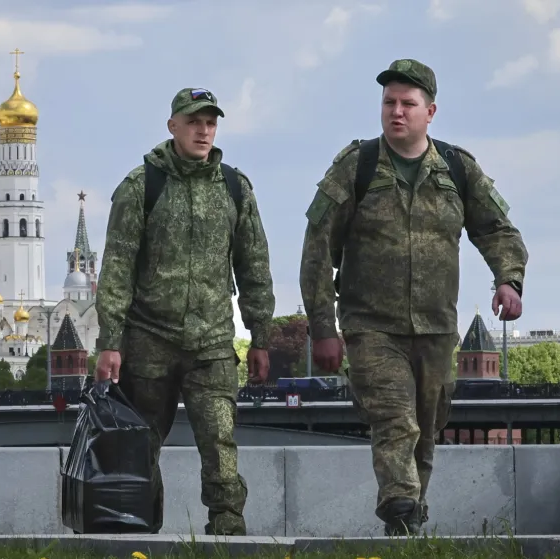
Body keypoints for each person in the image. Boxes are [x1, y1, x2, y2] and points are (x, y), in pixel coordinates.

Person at [298, 59, 528, 536]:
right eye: (389, 103)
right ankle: (400, 508)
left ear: (431, 112)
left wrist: (508, 279)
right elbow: (318, 249)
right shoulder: (356, 166)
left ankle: (408, 528)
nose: (396, 112)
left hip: (436, 329)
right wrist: (323, 328)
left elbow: (497, 229)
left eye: (407, 104)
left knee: (425, 431)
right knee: (395, 421)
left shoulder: (458, 169)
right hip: (371, 328)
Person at [93, 87, 276, 536]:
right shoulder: (141, 186)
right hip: (148, 340)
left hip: (212, 343)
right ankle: (135, 534)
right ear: (172, 126)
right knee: (139, 446)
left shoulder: (235, 188)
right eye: (194, 122)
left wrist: (260, 336)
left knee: (220, 443)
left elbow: (253, 264)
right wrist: (110, 342)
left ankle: (228, 532)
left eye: (210, 122)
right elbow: (117, 267)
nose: (203, 131)